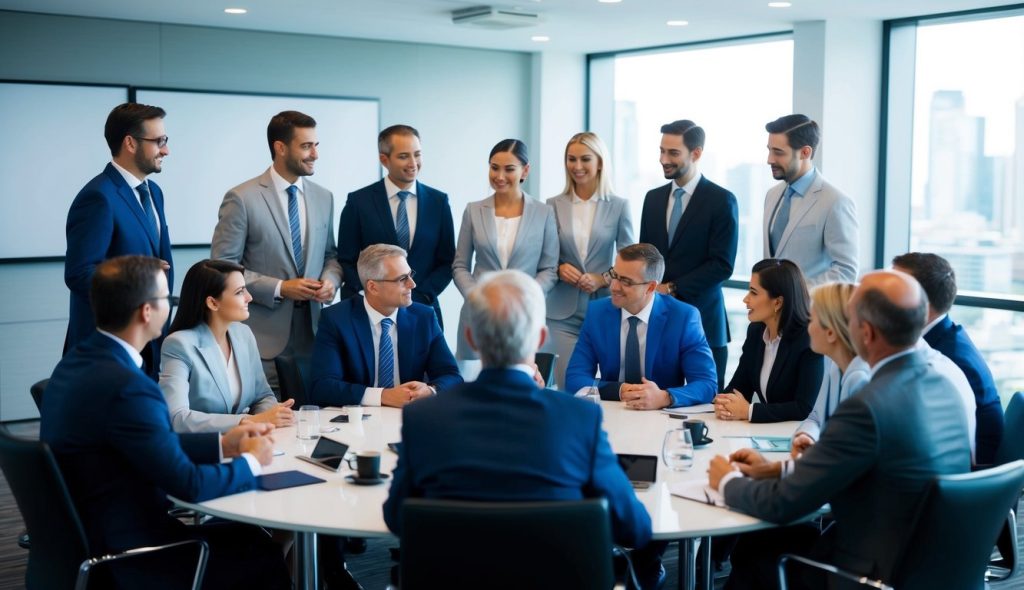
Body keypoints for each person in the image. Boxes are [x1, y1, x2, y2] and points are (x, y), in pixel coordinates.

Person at [383, 269, 655, 585]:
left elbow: (397, 518)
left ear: (471, 338)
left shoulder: (424, 417)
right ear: (540, 339)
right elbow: (634, 528)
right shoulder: (580, 419)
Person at [708, 270, 972, 589]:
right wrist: (777, 468)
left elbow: (782, 505)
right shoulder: (945, 383)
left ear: (866, 332)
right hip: (932, 562)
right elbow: (866, 464)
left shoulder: (868, 403)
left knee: (758, 546)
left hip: (871, 571)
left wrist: (727, 482)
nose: (813, 324)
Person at [41, 255, 290, 589]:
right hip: (133, 555)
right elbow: (190, 485)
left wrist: (222, 443)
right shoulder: (129, 387)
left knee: (247, 536)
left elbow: (140, 440)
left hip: (87, 536)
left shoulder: (74, 366)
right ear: (147, 311)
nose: (171, 306)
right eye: (165, 299)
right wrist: (251, 462)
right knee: (263, 552)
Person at [211, 110, 343, 389]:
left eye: (316, 145)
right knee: (273, 420)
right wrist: (280, 288)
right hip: (261, 340)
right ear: (280, 148)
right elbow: (221, 268)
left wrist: (331, 282)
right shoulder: (242, 198)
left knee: (313, 418)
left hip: (315, 335)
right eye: (306, 146)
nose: (315, 154)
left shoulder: (324, 197)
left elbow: (331, 256)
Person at [64, 102, 174, 379]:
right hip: (109, 351)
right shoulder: (98, 197)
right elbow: (80, 274)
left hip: (147, 341)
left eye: (166, 140)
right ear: (130, 143)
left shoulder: (154, 192)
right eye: (159, 141)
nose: (166, 150)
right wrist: (139, 277)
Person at [640, 119, 738, 391]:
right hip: (659, 321)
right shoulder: (652, 199)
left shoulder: (721, 200)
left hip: (705, 319)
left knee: (707, 403)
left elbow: (722, 265)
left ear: (696, 153)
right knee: (654, 400)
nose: (663, 159)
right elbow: (644, 256)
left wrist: (671, 287)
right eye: (661, 151)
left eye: (673, 153)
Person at [565, 243, 718, 410]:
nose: (614, 286)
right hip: (613, 412)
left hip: (661, 418)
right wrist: (620, 390)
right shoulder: (597, 313)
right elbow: (574, 378)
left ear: (651, 287)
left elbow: (707, 384)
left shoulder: (683, 317)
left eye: (625, 281)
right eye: (614, 275)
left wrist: (665, 397)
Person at [310, 244, 462, 407]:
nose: (412, 284)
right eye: (402, 279)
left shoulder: (424, 317)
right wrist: (383, 396)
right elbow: (323, 386)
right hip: (357, 421)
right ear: (373, 287)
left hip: (409, 418)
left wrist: (430, 390)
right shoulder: (336, 319)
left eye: (410, 275)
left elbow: (452, 376)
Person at [337, 124, 456, 327]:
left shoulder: (438, 202)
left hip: (422, 310)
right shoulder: (359, 202)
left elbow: (447, 261)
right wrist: (373, 295)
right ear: (384, 159)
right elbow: (347, 259)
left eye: (417, 154)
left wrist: (419, 294)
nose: (413, 163)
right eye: (403, 156)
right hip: (369, 311)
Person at [892, 252, 1005, 464]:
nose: (882, 299)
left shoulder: (949, 358)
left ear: (921, 304)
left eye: (893, 290)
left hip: (964, 473)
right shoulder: (940, 338)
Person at [452, 138, 559, 360]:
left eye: (509, 169)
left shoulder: (544, 213)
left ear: (525, 170)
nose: (499, 176)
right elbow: (460, 265)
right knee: (473, 383)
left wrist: (524, 297)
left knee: (519, 383)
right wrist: (477, 297)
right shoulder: (473, 210)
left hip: (524, 314)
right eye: (494, 168)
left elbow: (549, 269)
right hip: (477, 314)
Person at [159, 259, 295, 433]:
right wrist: (250, 421)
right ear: (213, 303)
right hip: (205, 450)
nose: (249, 297)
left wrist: (269, 417)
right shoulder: (179, 344)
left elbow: (263, 396)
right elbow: (176, 418)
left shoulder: (243, 334)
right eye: (240, 292)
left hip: (248, 442)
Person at [543, 132, 635, 389]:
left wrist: (603, 278)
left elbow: (628, 257)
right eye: (571, 159)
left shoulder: (619, 206)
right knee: (570, 386)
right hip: (562, 313)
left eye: (585, 159)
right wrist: (560, 268)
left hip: (609, 306)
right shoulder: (552, 205)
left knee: (611, 386)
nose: (577, 166)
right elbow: (545, 256)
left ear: (600, 163)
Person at [715, 259, 824, 423]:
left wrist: (749, 411)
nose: (746, 299)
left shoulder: (808, 340)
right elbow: (739, 387)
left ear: (778, 302)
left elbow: (802, 408)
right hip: (766, 433)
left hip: (799, 435)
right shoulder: (756, 332)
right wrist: (724, 402)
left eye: (754, 292)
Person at [762, 114, 858, 286]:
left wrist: (797, 296)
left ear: (805, 152)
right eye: (769, 150)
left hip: (810, 310)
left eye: (778, 152)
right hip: (773, 310)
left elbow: (846, 271)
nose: (770, 159)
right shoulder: (772, 195)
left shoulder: (835, 201)